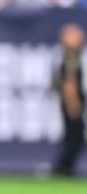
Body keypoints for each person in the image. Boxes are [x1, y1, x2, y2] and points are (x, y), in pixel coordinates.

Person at [52, 22, 85, 176]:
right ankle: (63, 167)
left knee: (74, 136)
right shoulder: (71, 57)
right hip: (72, 104)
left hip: (71, 103)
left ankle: (64, 167)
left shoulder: (66, 56)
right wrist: (73, 104)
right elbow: (69, 84)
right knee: (74, 136)